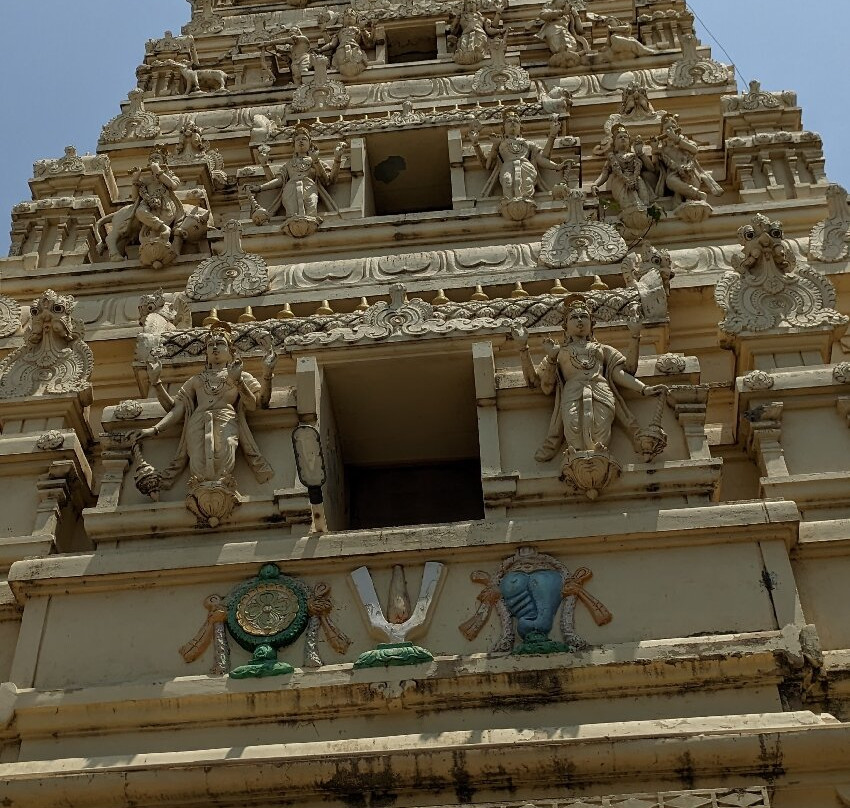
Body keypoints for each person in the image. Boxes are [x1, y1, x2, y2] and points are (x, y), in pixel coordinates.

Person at [515, 300, 666, 467]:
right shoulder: (560, 352)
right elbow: (540, 384)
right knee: (573, 426)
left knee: (601, 428)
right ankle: (577, 457)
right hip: (572, 393)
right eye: (574, 317)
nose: (579, 320)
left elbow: (624, 371)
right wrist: (527, 348)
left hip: (601, 390)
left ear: (591, 323)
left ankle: (599, 456)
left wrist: (643, 387)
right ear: (565, 326)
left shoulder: (602, 349)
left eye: (584, 316)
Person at [132, 325, 275, 491]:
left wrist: (259, 375)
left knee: (226, 449)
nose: (214, 347)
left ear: (231, 350)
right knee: (198, 463)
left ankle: (221, 490)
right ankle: (202, 492)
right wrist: (156, 383)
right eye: (210, 345)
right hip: (197, 423)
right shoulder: (197, 380)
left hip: (226, 420)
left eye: (220, 343)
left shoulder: (242, 376)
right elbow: (175, 408)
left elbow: (256, 403)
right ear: (206, 353)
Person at [470, 112, 565, 203]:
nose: (512, 123)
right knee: (508, 181)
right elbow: (488, 165)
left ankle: (525, 201)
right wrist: (476, 144)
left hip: (526, 167)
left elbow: (542, 158)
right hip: (507, 166)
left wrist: (556, 165)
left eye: (516, 121)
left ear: (521, 128)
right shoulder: (500, 144)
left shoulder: (528, 144)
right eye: (509, 121)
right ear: (503, 129)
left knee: (527, 183)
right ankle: (510, 201)